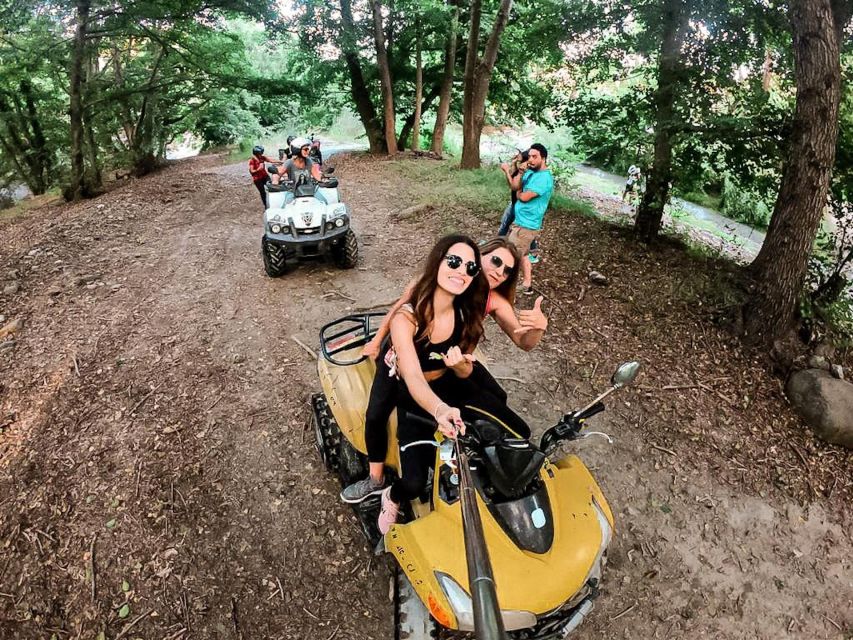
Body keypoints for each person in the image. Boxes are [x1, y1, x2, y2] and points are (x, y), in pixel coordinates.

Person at [341, 237, 547, 505]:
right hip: (405, 361)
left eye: (508, 270)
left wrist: (538, 329)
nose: (499, 271)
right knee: (377, 413)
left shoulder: (483, 301)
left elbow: (523, 340)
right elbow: (400, 313)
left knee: (494, 397)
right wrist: (377, 340)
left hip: (450, 360)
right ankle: (375, 478)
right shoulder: (436, 290)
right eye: (495, 261)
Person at [508, 143, 554, 295]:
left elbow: (524, 197)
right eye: (530, 157)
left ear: (544, 158)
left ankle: (507, 288)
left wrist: (520, 194)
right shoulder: (529, 171)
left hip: (527, 226)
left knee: (511, 256)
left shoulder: (544, 178)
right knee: (524, 255)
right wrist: (520, 173)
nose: (531, 160)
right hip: (520, 222)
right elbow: (515, 187)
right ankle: (527, 285)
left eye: (535, 157)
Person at [499, 149, 541, 264]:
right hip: (515, 203)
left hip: (519, 204)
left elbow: (513, 186)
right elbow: (512, 178)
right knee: (506, 223)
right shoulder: (521, 169)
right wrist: (512, 165)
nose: (518, 160)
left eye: (521, 159)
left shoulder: (526, 173)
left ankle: (497, 245)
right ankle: (533, 252)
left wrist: (506, 170)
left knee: (506, 225)